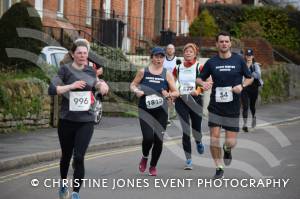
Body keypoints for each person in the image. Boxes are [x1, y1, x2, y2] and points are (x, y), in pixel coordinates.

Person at [48, 39, 102, 199]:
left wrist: (102, 85)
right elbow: (52, 89)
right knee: (66, 156)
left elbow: (96, 83)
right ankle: (64, 183)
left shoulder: (91, 70)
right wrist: (71, 86)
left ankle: (76, 193)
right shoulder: (65, 70)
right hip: (67, 120)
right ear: (73, 54)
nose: (82, 55)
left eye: (85, 53)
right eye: (79, 53)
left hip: (86, 121)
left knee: (79, 157)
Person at [196, 32, 253, 179]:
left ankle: (227, 149)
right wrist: (204, 83)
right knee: (214, 138)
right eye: (221, 41)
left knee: (230, 141)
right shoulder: (211, 62)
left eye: (226, 41)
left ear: (230, 44)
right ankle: (219, 167)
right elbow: (198, 78)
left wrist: (241, 86)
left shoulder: (239, 60)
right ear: (217, 44)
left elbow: (249, 78)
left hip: (233, 106)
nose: (224, 44)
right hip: (216, 106)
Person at [130, 47, 179, 176]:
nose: (159, 59)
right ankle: (145, 156)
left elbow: (176, 92)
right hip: (145, 109)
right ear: (152, 57)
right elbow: (133, 85)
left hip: (161, 111)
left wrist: (168, 94)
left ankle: (153, 165)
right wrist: (136, 91)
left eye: (161, 57)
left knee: (158, 140)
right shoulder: (143, 71)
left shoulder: (167, 73)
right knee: (148, 138)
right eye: (156, 56)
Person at [172, 43, 207, 170]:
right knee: (186, 130)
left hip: (195, 100)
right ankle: (188, 160)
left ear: (195, 53)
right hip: (181, 100)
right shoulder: (178, 67)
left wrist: (198, 91)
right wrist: (173, 92)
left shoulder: (199, 67)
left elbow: (206, 82)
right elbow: (172, 81)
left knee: (196, 128)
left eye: (190, 51)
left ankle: (198, 141)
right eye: (186, 51)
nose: (187, 53)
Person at [241, 48, 263, 132]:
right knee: (245, 106)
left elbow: (258, 76)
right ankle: (245, 124)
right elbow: (240, 75)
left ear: (253, 56)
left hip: (254, 88)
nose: (249, 57)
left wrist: (250, 73)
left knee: (252, 106)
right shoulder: (243, 65)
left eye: (250, 55)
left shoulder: (255, 65)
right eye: (247, 55)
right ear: (245, 56)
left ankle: (254, 117)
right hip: (245, 87)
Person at [163, 44, 177, 126]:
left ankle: (173, 110)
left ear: (174, 50)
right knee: (167, 100)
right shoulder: (163, 59)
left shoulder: (177, 60)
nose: (170, 50)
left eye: (171, 49)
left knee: (172, 100)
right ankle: (167, 119)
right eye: (168, 48)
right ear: (166, 50)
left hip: (174, 82)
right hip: (164, 82)